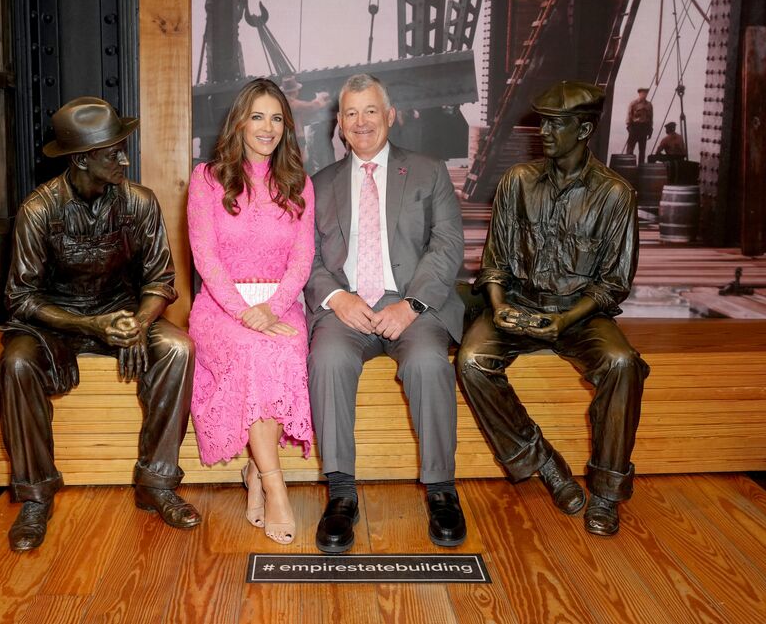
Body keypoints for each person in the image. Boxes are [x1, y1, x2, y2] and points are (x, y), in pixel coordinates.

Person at [0, 97, 200, 552]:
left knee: (179, 349)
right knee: (16, 366)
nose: (124, 159)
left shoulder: (140, 202)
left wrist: (138, 323)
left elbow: (161, 281)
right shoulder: (38, 211)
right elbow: (20, 298)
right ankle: (36, 495)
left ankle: (156, 482)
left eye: (122, 149)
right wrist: (90, 325)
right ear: (81, 159)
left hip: (123, 314)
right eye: (112, 153)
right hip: (54, 320)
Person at [456, 81, 650, 537]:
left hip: (581, 315)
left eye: (555, 124)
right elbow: (495, 263)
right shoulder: (517, 182)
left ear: (583, 130)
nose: (543, 131)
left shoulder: (615, 194)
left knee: (622, 363)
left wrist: (565, 319)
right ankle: (543, 462)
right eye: (542, 121)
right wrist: (498, 307)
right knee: (472, 361)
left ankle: (607, 492)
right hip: (519, 304)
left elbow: (613, 284)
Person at [305, 74, 466, 553]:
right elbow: (306, 257)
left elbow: (447, 244)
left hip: (412, 303)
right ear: (339, 123)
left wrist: (412, 305)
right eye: (351, 113)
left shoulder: (428, 171)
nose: (361, 122)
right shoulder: (319, 184)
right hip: (347, 306)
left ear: (390, 115)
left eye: (370, 111)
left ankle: (441, 490)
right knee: (327, 359)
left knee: (428, 363)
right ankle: (341, 493)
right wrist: (338, 298)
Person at [187, 78, 315, 545]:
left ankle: (258, 472)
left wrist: (273, 308)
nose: (267, 127)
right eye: (257, 116)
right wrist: (245, 312)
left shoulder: (299, 183)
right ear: (239, 122)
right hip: (221, 307)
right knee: (255, 350)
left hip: (281, 304)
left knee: (284, 347)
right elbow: (205, 258)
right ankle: (275, 485)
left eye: (277, 118)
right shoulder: (207, 179)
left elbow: (302, 259)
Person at [624, 87, 653, 164]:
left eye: (646, 93)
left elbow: (650, 118)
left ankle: (641, 166)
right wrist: (629, 127)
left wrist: (650, 130)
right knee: (630, 149)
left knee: (642, 150)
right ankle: (629, 165)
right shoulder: (633, 104)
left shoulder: (649, 105)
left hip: (644, 128)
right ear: (639, 94)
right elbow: (629, 116)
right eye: (643, 93)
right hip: (635, 127)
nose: (645, 95)